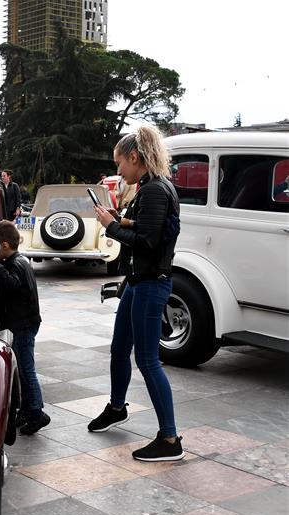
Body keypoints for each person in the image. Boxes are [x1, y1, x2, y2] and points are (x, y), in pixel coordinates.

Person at [91, 125, 184, 462]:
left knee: (147, 360)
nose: (118, 171)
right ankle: (117, 407)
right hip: (139, 281)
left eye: (120, 164)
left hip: (151, 283)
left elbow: (148, 241)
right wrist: (120, 220)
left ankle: (170, 439)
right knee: (119, 348)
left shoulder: (156, 190)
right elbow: (146, 226)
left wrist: (112, 228)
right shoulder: (150, 187)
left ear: (135, 157)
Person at [0, 220, 49, 435]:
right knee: (22, 368)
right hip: (26, 321)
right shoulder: (20, 260)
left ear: (3, 245)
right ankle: (28, 410)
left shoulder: (14, 264)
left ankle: (37, 413)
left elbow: (10, 284)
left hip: (22, 324)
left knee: (26, 370)